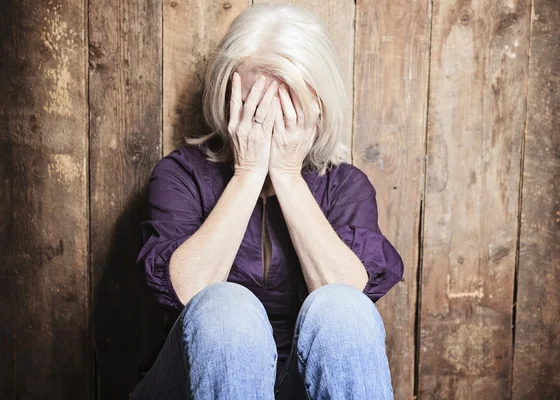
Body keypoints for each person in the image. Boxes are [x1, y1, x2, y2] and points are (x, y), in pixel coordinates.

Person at [129, 4, 404, 399]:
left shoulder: (345, 186)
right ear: (228, 99)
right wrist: (247, 173)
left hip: (301, 384)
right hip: (193, 382)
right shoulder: (181, 175)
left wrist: (288, 176)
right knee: (227, 308)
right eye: (254, 104)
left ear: (319, 108)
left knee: (343, 307)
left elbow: (350, 309)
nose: (270, 120)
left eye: (288, 106)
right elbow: (189, 293)